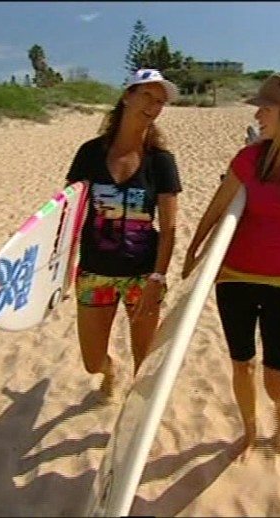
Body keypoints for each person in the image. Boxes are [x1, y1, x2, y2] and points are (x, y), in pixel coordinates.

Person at [181, 72, 280, 460]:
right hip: (234, 278)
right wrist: (193, 252)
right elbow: (217, 208)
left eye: (264, 109)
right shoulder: (249, 158)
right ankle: (250, 432)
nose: (257, 116)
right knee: (242, 364)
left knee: (276, 378)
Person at [65, 69, 182, 399]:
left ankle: (135, 418)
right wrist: (61, 269)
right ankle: (109, 370)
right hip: (95, 273)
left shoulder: (161, 161)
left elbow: (169, 228)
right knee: (92, 362)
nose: (153, 106)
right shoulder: (90, 153)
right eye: (147, 96)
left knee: (144, 362)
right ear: (127, 96)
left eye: (159, 102)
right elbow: (68, 215)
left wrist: (157, 278)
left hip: (142, 276)